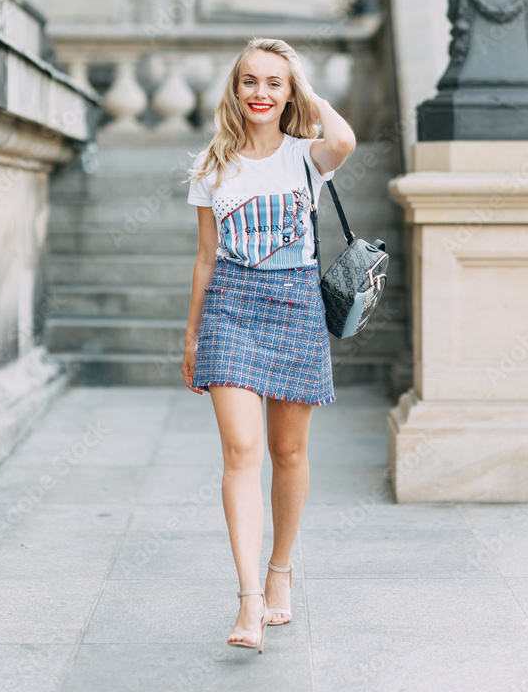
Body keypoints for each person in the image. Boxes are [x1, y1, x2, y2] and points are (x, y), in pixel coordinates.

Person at [182, 37, 355, 653]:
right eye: (249, 81)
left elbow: (345, 141)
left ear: (288, 93)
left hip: (295, 305)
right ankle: (249, 599)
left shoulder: (306, 156)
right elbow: (205, 257)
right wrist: (194, 332)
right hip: (230, 306)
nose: (259, 93)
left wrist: (307, 93)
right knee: (241, 450)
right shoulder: (212, 164)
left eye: (273, 83)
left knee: (288, 452)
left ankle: (281, 569)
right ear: (235, 88)